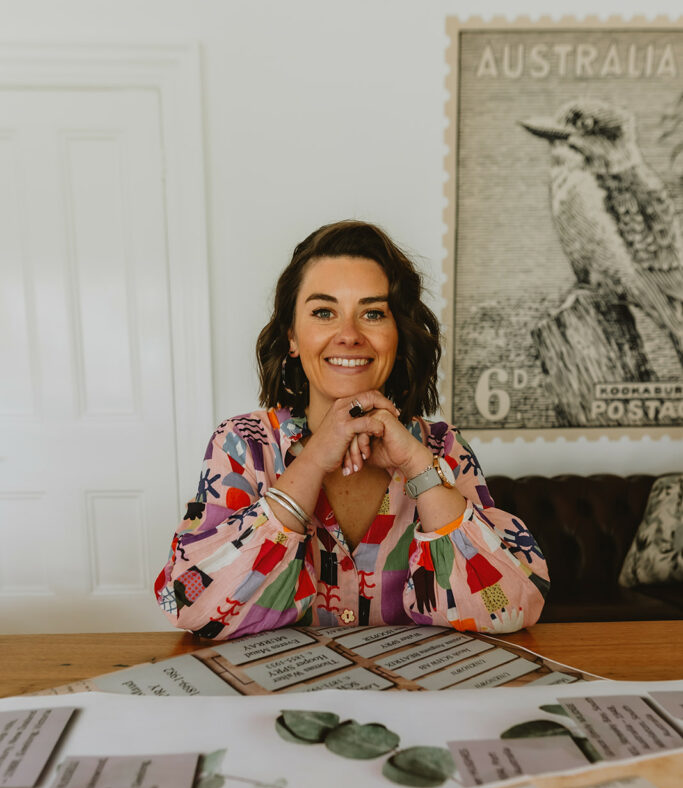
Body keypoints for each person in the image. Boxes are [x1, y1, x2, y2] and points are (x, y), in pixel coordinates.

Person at [155, 221, 549, 640]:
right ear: (292, 336)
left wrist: (418, 466)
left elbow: (510, 608)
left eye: (373, 313)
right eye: (324, 312)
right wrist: (310, 463)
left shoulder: (444, 448)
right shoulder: (242, 445)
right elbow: (189, 605)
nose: (349, 335)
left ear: (397, 337)